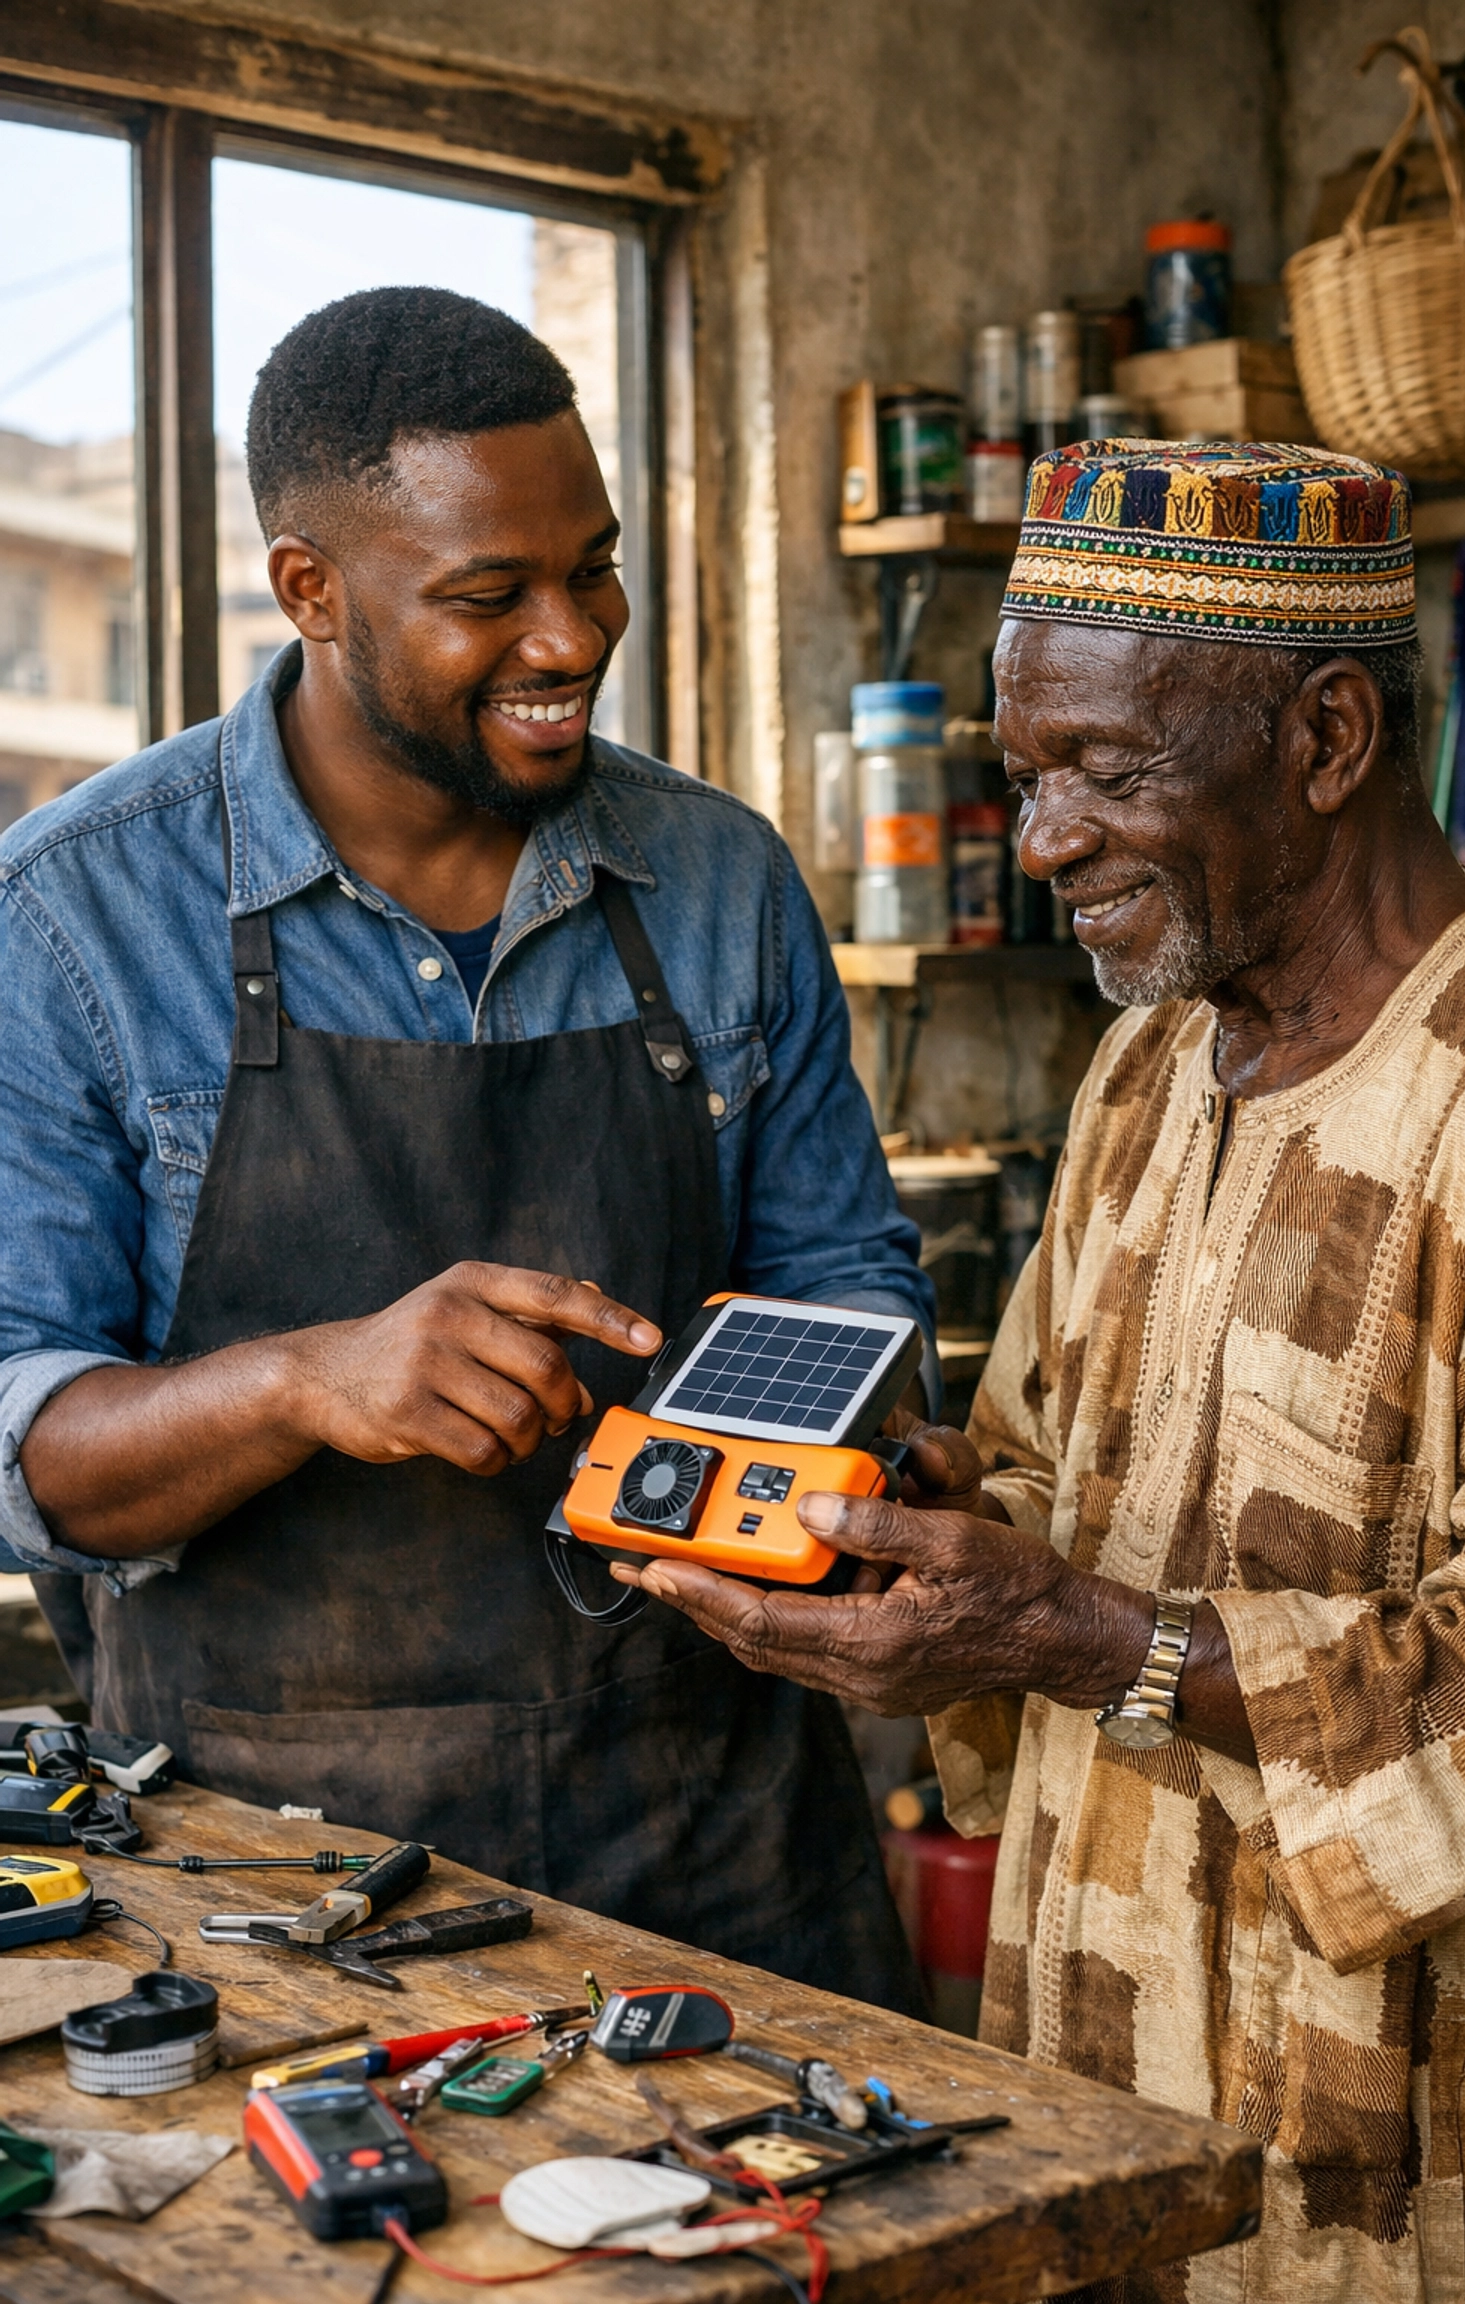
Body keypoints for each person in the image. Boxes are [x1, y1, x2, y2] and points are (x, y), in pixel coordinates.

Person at [615, 440, 1465, 2297]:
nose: (1041, 846)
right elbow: (1052, 1470)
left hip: (1417, 2128)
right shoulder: (1149, 1063)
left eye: (1106, 773)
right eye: (1025, 777)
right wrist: (936, 1526)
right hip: (1104, 2059)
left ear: (1330, 740)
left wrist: (1082, 1640)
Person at [0, 287, 931, 2009]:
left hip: (714, 1838)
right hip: (287, 1888)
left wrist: (851, 1459)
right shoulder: (76, 920)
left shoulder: (717, 884)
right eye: (490, 596)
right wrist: (304, 1381)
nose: (573, 636)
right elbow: (27, 1448)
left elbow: (848, 1287)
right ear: (312, 592)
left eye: (596, 567)